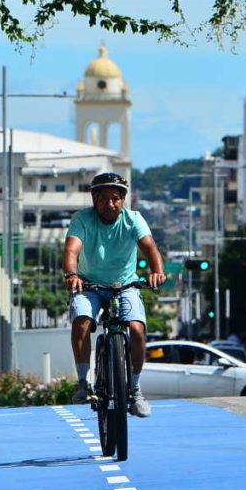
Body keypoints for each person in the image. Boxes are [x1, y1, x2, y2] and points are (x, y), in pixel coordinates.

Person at [63, 172, 166, 417]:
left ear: (123, 200)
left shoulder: (133, 219)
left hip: (125, 285)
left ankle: (136, 389)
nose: (111, 204)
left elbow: (150, 247)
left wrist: (157, 272)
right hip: (89, 286)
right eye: (105, 198)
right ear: (94, 199)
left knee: (137, 329)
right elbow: (71, 249)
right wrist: (72, 275)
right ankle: (83, 382)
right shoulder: (83, 219)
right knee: (81, 323)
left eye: (116, 198)